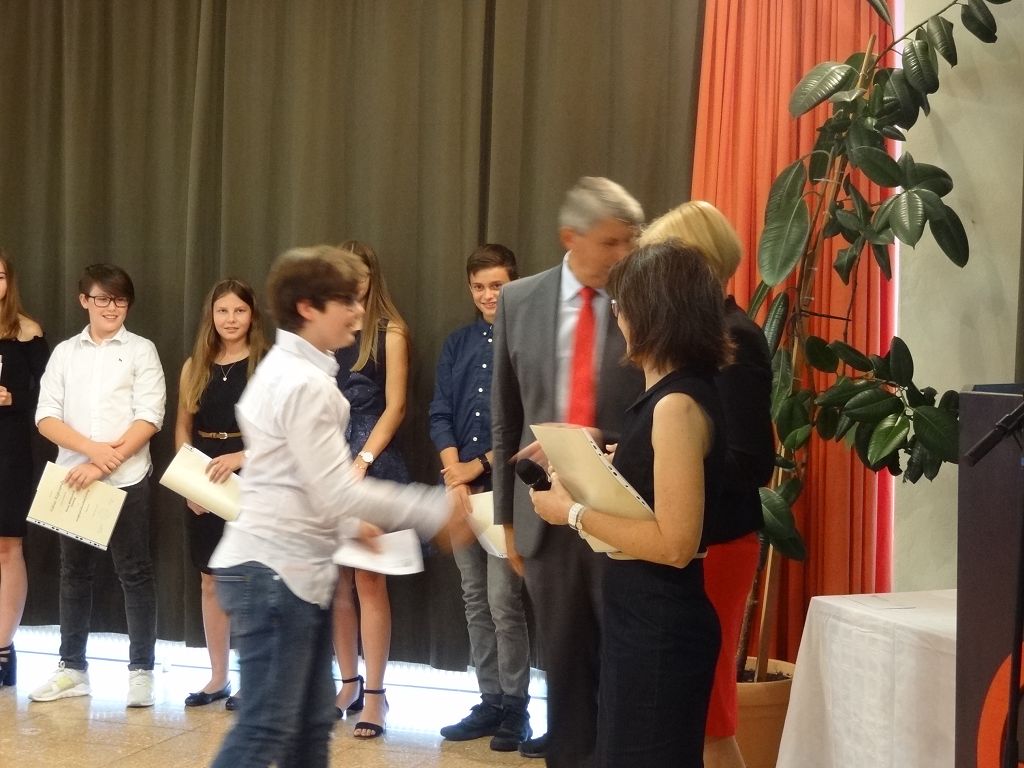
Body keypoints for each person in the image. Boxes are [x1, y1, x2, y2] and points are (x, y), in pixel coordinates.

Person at [207, 245, 469, 768]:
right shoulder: (304, 383)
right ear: (308, 308)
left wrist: (347, 526)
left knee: (308, 730)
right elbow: (334, 488)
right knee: (264, 732)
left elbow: (292, 478)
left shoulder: (293, 370)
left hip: (283, 572)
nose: (357, 310)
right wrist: (435, 512)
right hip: (273, 576)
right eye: (345, 301)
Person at [532, 240, 729, 767]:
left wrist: (571, 513)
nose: (616, 316)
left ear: (651, 312)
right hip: (639, 615)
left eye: (621, 304)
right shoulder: (668, 396)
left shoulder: (676, 404)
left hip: (660, 624)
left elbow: (675, 544)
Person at [491, 177, 645, 765]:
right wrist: (506, 520)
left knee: (622, 663)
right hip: (542, 516)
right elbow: (506, 417)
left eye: (630, 241)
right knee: (563, 665)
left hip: (623, 509)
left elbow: (660, 408)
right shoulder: (519, 300)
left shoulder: (644, 300)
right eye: (610, 242)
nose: (623, 255)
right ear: (569, 238)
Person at [640, 201, 774, 768]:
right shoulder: (700, 336)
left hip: (715, 543)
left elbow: (751, 460)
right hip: (695, 540)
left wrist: (674, 469)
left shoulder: (734, 339)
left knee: (708, 714)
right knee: (693, 712)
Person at [30, 264, 166, 707]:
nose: (112, 307)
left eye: (120, 299)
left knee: (135, 573)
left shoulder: (142, 350)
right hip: (74, 477)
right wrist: (91, 454)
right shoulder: (65, 353)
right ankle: (72, 669)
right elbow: (45, 416)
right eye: (103, 298)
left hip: (128, 478)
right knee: (74, 575)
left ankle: (142, 671)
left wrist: (107, 462)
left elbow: (150, 416)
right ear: (84, 300)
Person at [430, 245, 532, 752]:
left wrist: (479, 466)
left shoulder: (526, 341)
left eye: (496, 285)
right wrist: (455, 472)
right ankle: (488, 699)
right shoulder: (458, 343)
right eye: (479, 287)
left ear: (513, 284)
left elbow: (525, 423)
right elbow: (440, 412)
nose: (488, 295)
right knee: (473, 597)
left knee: (503, 600)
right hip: (461, 491)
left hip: (505, 489)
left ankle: (516, 707)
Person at [174, 278, 268, 710]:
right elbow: (182, 429)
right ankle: (218, 677)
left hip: (254, 475)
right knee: (211, 579)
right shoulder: (194, 365)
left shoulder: (267, 365)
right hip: (204, 476)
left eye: (239, 310)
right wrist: (189, 482)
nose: (230, 319)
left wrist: (240, 457)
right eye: (222, 311)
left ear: (252, 315)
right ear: (211, 316)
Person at [329, 239, 409, 739]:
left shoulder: (389, 331)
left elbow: (395, 407)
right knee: (336, 582)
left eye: (357, 273)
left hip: (371, 462)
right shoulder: (321, 329)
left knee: (369, 580)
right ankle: (348, 683)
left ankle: (376, 696)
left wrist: (361, 461)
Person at [0, 250, 49, 687]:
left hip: (9, 450)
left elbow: (49, 397)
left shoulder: (27, 332)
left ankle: (2, 649)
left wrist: (13, 399)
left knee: (7, 547)